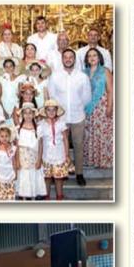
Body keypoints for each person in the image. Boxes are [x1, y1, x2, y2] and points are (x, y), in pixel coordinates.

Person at [48, 48, 92, 186]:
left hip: (78, 116)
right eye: (65, 57)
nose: (68, 59)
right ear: (62, 59)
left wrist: (77, 106)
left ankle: (79, 173)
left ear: (74, 59)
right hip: (61, 117)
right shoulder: (55, 76)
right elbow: (52, 95)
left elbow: (87, 97)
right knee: (60, 146)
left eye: (70, 57)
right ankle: (60, 173)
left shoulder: (82, 77)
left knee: (78, 146)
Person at [82, 48, 114, 169]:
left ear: (99, 57)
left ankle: (103, 160)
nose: (92, 57)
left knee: (101, 134)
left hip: (102, 106)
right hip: (88, 108)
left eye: (94, 55)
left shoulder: (105, 71)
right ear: (86, 59)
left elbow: (111, 90)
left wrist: (110, 107)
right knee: (89, 133)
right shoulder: (83, 73)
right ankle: (91, 160)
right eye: (89, 56)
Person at [38, 99, 70, 200]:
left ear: (56, 111)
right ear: (45, 111)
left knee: (58, 178)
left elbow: (65, 139)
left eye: (53, 110)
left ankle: (59, 197)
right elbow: (40, 142)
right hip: (46, 155)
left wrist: (67, 154)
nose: (51, 112)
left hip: (59, 155)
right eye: (49, 110)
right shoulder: (41, 124)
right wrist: (39, 157)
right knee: (46, 178)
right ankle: (46, 197)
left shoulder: (61, 123)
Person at [15, 102, 46, 200]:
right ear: (22, 114)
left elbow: (41, 145)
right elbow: (16, 146)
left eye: (30, 113)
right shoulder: (18, 129)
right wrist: (17, 161)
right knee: (23, 179)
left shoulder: (38, 129)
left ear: (33, 115)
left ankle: (31, 199)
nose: (28, 115)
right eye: (25, 113)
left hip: (34, 159)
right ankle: (23, 197)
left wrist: (39, 160)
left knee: (33, 179)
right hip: (22, 159)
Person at [0, 124, 17, 200]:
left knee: (9, 192)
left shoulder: (13, 148)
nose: (4, 138)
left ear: (9, 137)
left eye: (6, 136)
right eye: (2, 136)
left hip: (9, 173)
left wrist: (15, 173)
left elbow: (14, 161)